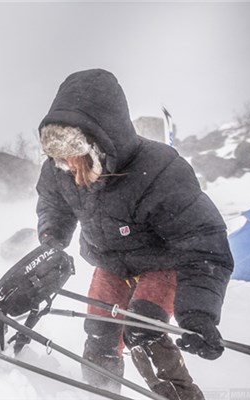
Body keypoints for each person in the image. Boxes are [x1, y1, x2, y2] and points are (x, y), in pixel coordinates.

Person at [35, 69, 234, 400]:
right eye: (60, 158)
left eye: (75, 156)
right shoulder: (59, 170)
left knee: (143, 329)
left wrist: (198, 314)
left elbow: (203, 243)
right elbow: (53, 203)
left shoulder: (160, 170)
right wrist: (52, 234)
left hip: (160, 263)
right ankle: (99, 394)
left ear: (100, 144)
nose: (68, 167)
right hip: (110, 264)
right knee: (99, 332)